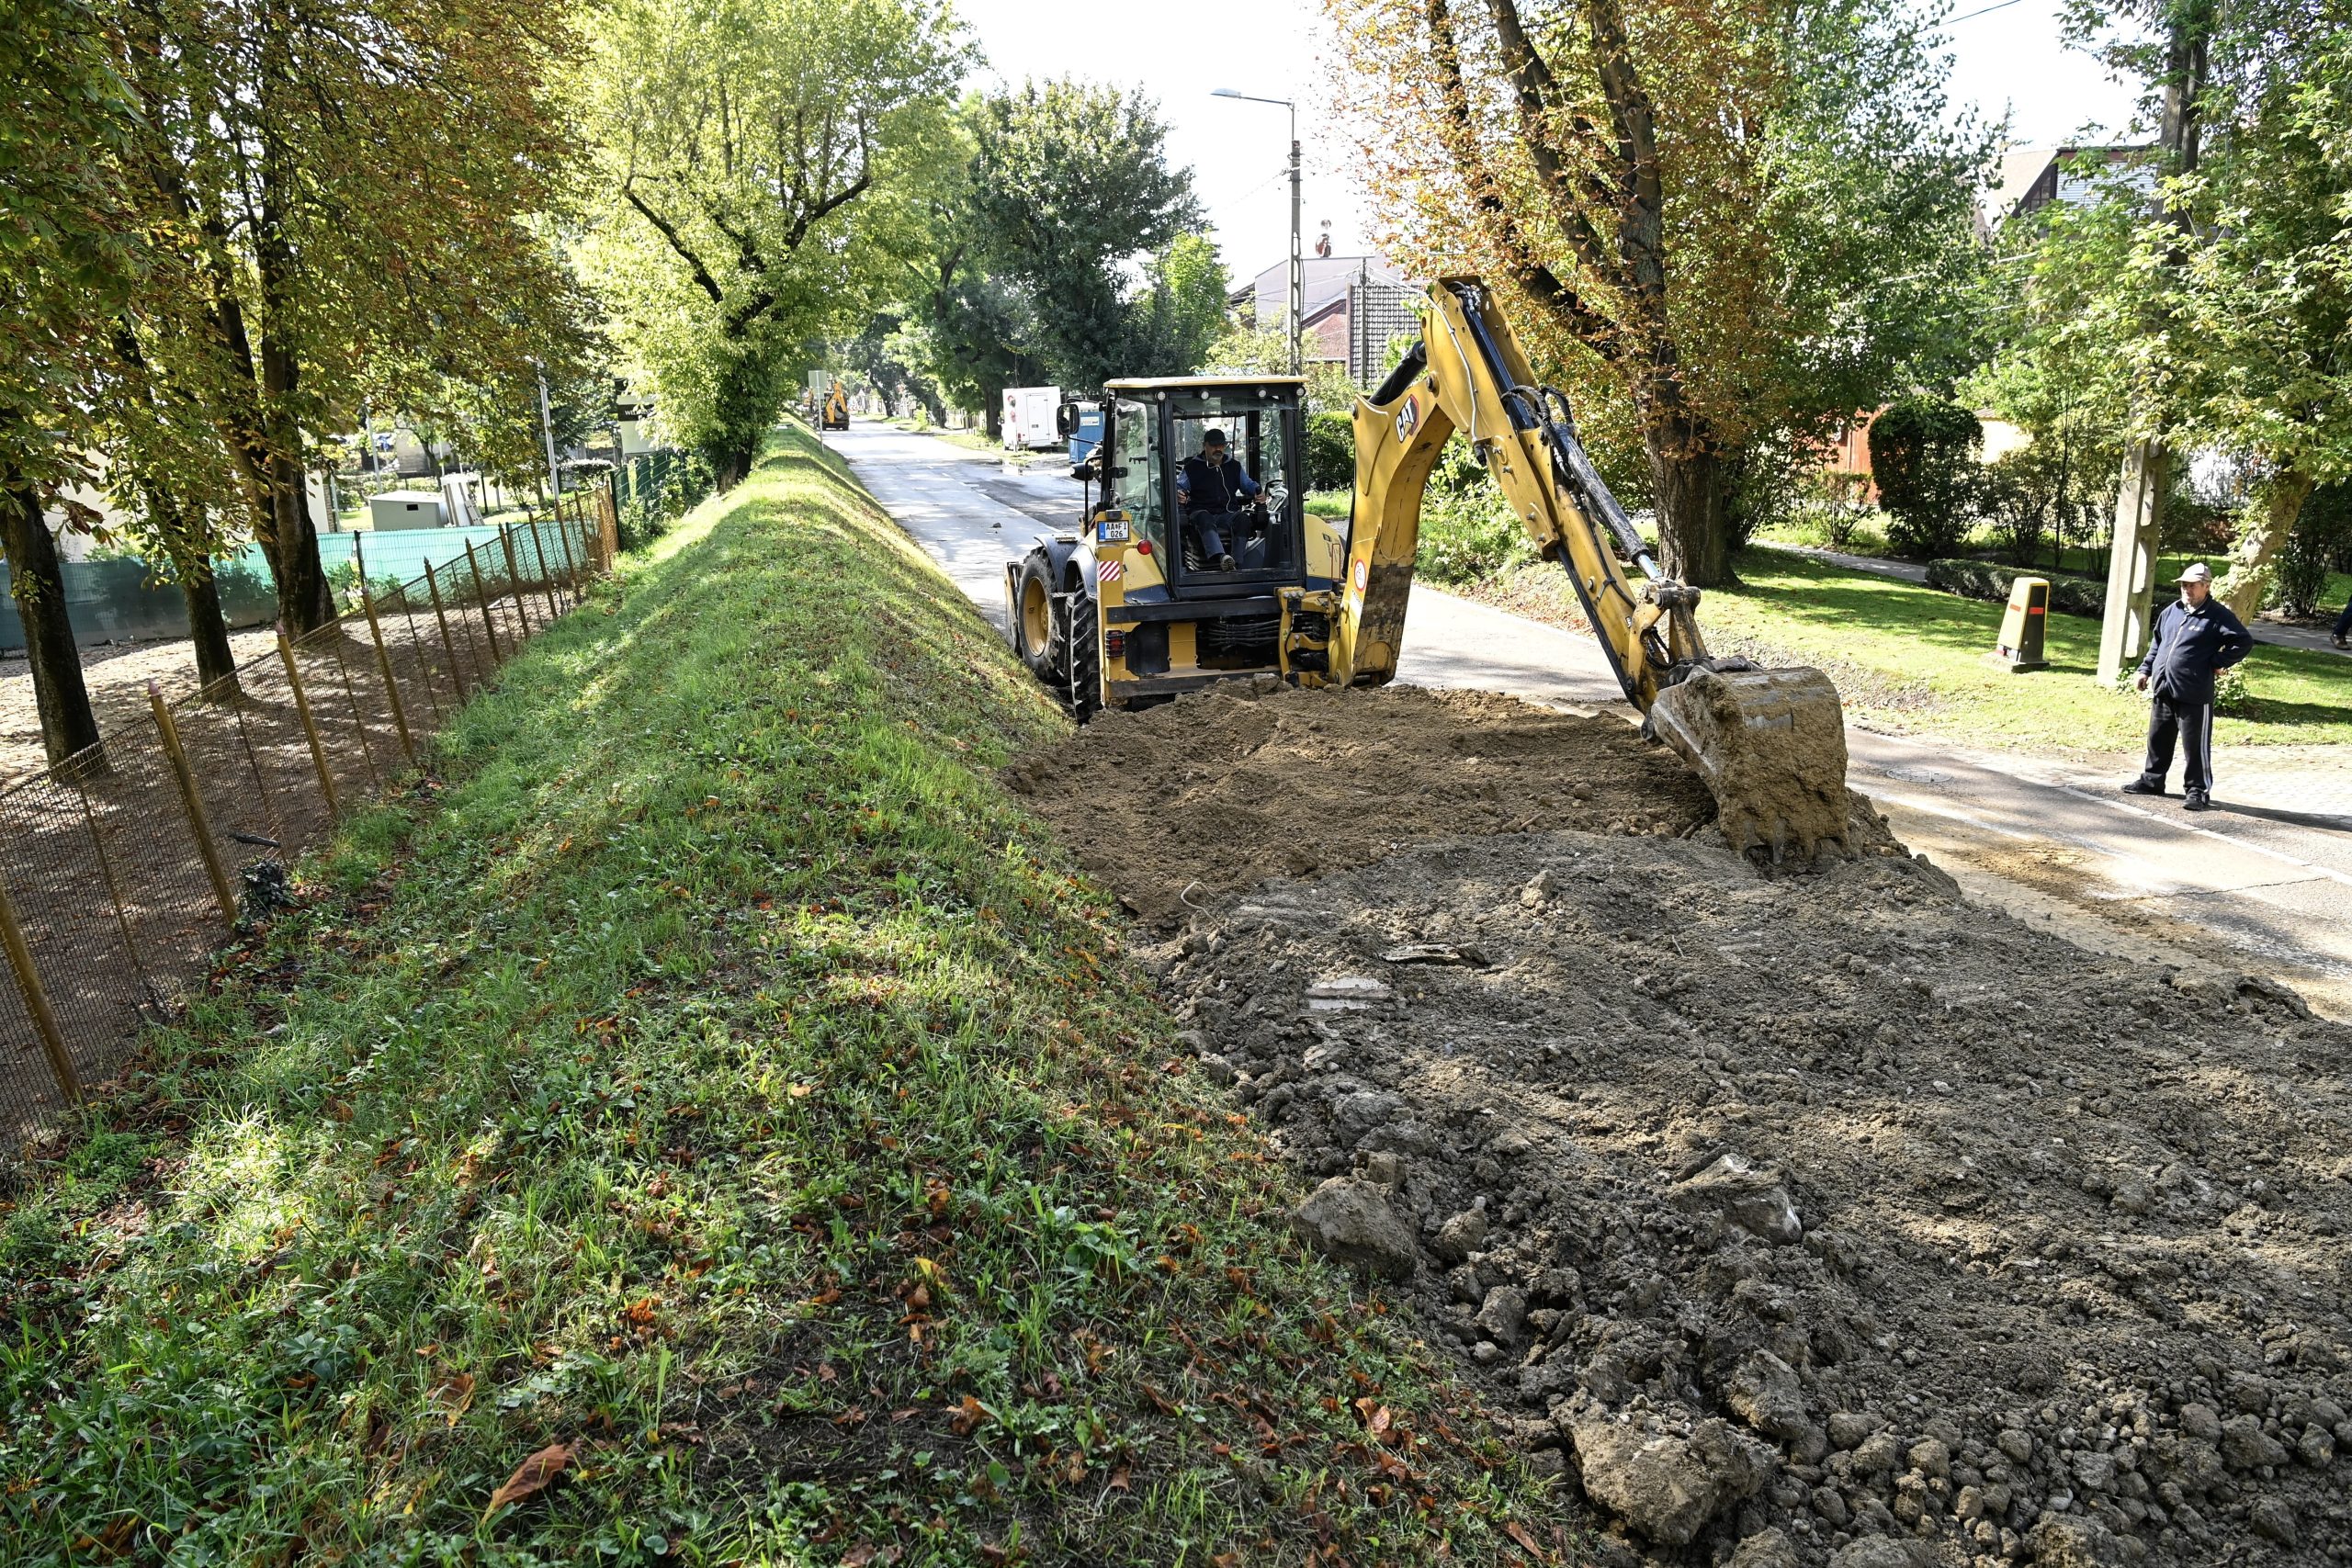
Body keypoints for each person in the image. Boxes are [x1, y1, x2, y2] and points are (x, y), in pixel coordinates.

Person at [2122, 562, 2253, 811]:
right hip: (2163, 687)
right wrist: (2145, 669)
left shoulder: (2217, 615)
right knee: (2158, 739)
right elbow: (2157, 643)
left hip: (2194, 691)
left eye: (2192, 585)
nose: (2186, 589)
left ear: (2206, 586)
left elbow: (2243, 641)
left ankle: (2197, 791)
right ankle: (2152, 781)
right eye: (2183, 584)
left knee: (2195, 747)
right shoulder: (2172, 611)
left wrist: (2217, 661)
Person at [1176, 428, 1259, 572]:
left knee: (1243, 519)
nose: (1218, 449)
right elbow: (1178, 487)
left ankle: (1236, 563)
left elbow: (1248, 485)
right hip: (1201, 512)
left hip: (1227, 513)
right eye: (1213, 445)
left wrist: (1258, 491)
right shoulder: (1192, 468)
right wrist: (1178, 493)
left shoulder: (1234, 466)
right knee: (1204, 518)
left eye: (1221, 445)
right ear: (1204, 445)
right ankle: (1221, 558)